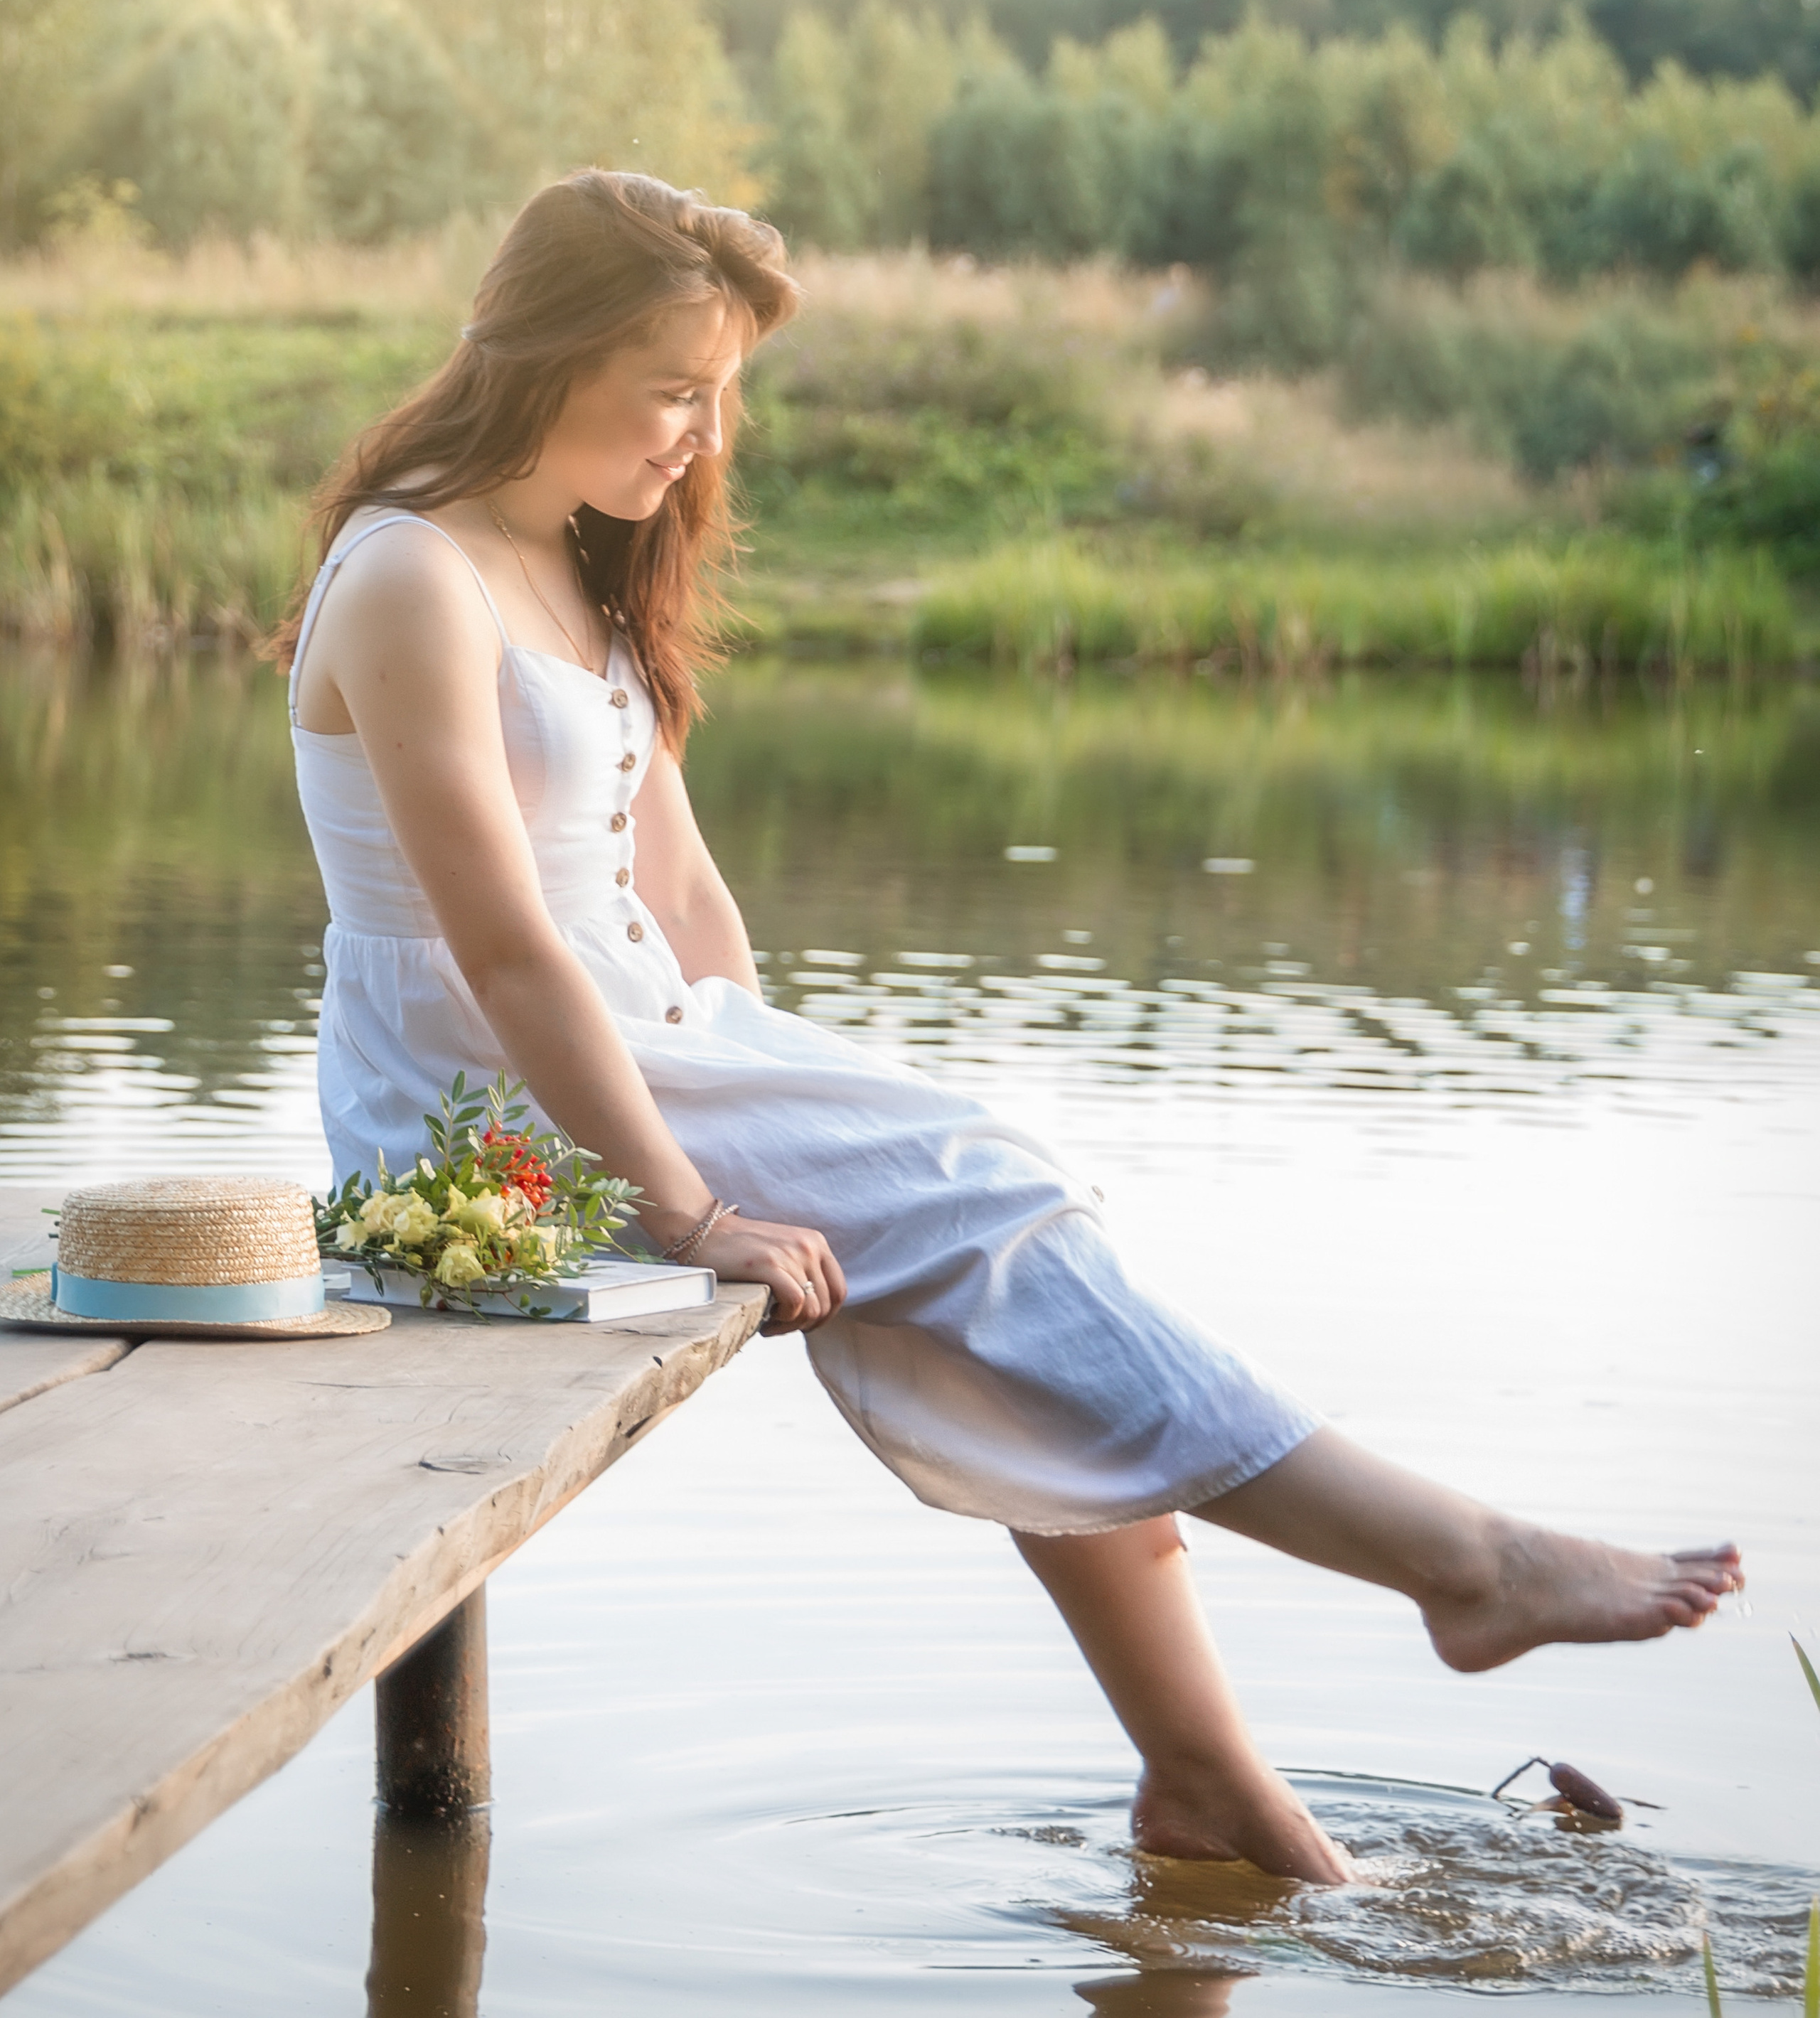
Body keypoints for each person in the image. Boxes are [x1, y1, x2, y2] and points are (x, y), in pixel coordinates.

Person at [274, 170, 1742, 1884]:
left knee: (987, 1206)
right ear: (543, 353)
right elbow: (508, 948)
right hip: (477, 1123)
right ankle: (1454, 1570)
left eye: (723, 394)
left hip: (640, 1049)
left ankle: (1210, 1777)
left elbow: (680, 894)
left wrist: (796, 1091)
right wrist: (697, 1209)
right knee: (985, 1200)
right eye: (675, 390)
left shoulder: (575, 558)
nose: (707, 437)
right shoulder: (412, 576)